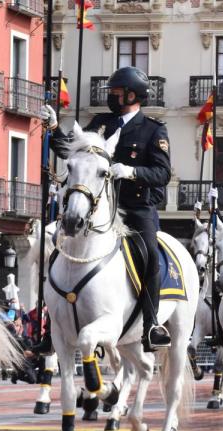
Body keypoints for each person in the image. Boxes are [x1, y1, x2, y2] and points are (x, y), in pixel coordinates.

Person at [48, 66, 173, 351]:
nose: (112, 98)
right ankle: (50, 327)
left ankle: (151, 324)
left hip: (135, 208)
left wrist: (130, 172)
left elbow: (162, 173)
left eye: (116, 93)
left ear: (132, 95)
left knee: (150, 255)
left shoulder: (154, 130)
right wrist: (55, 129)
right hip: (97, 209)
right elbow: (72, 151)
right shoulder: (101, 123)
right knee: (59, 247)